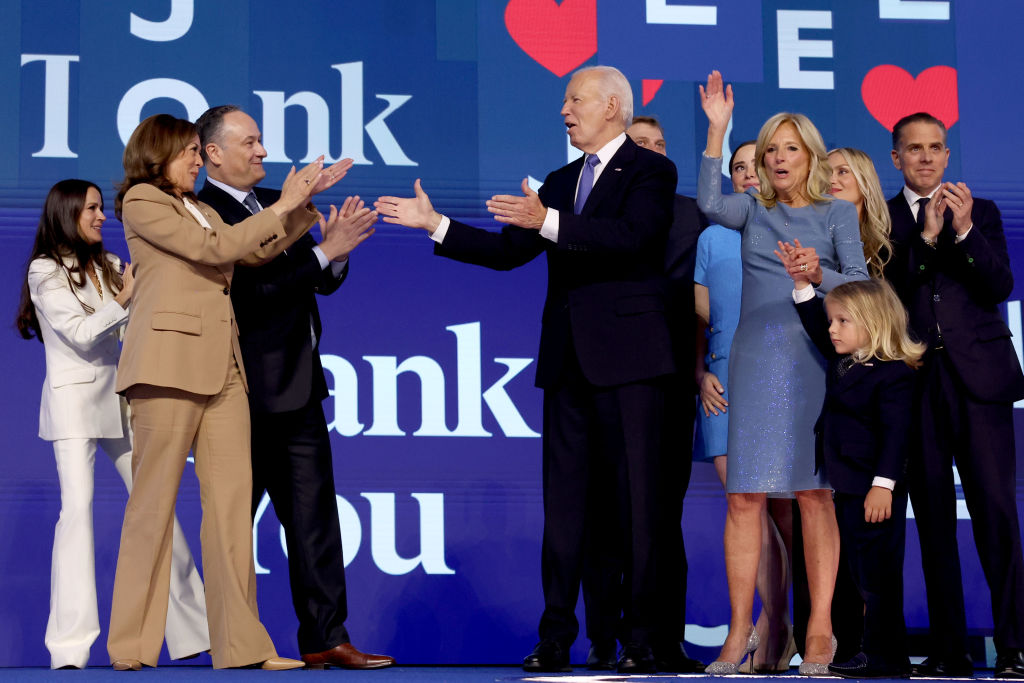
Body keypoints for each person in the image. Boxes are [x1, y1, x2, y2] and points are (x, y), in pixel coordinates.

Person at [375, 65, 678, 674]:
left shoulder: (651, 170)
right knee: (565, 509)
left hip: (632, 365)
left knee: (636, 507)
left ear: (613, 106)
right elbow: (507, 253)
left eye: (575, 101)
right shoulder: (562, 182)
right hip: (568, 366)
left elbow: (633, 237)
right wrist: (434, 224)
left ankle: (640, 638)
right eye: (564, 103)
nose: (564, 111)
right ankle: (556, 637)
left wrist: (545, 219)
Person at [106, 113, 352, 671]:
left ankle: (241, 646)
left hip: (225, 370)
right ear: (159, 152)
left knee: (229, 515)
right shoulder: (143, 201)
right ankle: (131, 645)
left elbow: (252, 252)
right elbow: (216, 250)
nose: (197, 160)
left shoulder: (201, 206)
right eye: (190, 151)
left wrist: (304, 207)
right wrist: (285, 203)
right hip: (168, 369)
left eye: (199, 150)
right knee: (152, 509)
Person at [194, 105, 392, 670]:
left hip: (299, 385)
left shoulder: (282, 202)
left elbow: (312, 284)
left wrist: (335, 251)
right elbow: (250, 295)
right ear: (213, 153)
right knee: (231, 527)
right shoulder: (206, 212)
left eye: (261, 140)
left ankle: (326, 636)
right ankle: (227, 640)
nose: (262, 150)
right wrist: (323, 250)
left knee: (315, 521)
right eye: (250, 141)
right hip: (241, 392)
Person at [696, 70, 867, 676]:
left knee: (814, 494)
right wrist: (718, 132)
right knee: (744, 498)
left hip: (814, 361)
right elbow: (710, 203)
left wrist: (817, 275)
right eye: (770, 149)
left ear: (811, 156)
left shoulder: (836, 213)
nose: (777, 157)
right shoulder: (752, 210)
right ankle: (740, 631)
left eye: (789, 147)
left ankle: (819, 630)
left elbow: (862, 280)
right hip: (754, 358)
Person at [16, 179, 210, 669]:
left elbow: (148, 307)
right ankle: (69, 648)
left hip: (120, 403)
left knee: (156, 509)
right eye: (93, 209)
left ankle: (194, 632)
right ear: (66, 214)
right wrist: (125, 299)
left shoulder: (110, 265)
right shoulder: (45, 270)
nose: (103, 216)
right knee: (77, 515)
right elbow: (81, 334)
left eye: (103, 207)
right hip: (73, 407)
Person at [884, 111, 1024, 679]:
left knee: (996, 511)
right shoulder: (883, 219)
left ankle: (1014, 644)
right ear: (895, 158)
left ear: (947, 155)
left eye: (935, 147)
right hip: (915, 384)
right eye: (913, 148)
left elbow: (999, 285)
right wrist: (927, 238)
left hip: (980, 382)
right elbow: (889, 293)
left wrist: (963, 233)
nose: (925, 157)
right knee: (934, 517)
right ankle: (947, 648)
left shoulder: (982, 211)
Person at [576, 115, 706, 673]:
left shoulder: (693, 216)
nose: (651, 154)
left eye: (660, 145)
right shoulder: (596, 211)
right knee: (605, 509)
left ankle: (659, 638)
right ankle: (605, 635)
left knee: (659, 512)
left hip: (669, 377)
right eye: (639, 145)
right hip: (604, 375)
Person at [783, 265, 923, 677]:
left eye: (843, 321)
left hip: (874, 490)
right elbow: (814, 326)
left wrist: (883, 486)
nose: (832, 329)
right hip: (847, 486)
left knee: (878, 578)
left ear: (874, 323)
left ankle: (887, 657)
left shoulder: (893, 374)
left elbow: (896, 436)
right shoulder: (846, 361)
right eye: (832, 321)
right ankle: (873, 650)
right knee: (862, 573)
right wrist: (802, 288)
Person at [694, 140, 797, 673]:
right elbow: (699, 320)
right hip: (724, 385)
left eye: (757, 165)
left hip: (783, 382)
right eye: (738, 168)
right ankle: (750, 630)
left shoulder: (797, 227)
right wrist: (700, 372)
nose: (749, 174)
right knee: (744, 503)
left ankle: (776, 626)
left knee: (784, 510)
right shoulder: (710, 238)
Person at [827, 147, 892, 279]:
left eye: (842, 171)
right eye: (826, 172)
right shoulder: (810, 234)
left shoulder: (888, 243)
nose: (831, 180)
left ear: (865, 181)